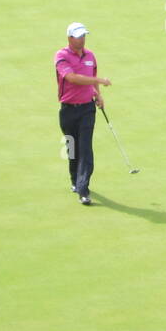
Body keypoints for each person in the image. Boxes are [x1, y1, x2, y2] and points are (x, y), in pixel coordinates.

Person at [55, 22, 109, 205]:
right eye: (78, 36)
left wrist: (98, 95)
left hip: (87, 109)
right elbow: (72, 78)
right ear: (70, 38)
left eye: (84, 36)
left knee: (85, 149)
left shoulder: (90, 56)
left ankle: (83, 190)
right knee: (72, 148)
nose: (82, 39)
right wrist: (99, 80)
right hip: (68, 110)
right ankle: (74, 180)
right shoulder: (61, 56)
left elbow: (92, 78)